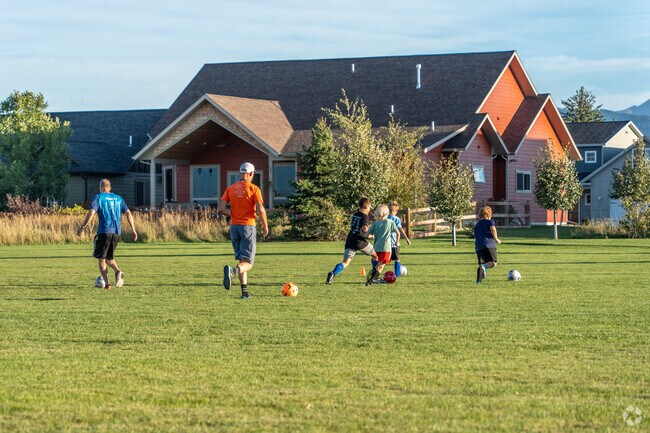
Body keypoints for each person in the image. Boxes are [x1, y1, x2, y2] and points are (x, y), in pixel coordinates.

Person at [218, 162, 268, 299]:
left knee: (242, 260)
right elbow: (260, 209)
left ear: (241, 173)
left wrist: (231, 214)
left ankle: (244, 293)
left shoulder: (230, 188)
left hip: (234, 227)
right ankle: (233, 271)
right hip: (248, 227)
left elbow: (221, 208)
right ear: (251, 174)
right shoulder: (254, 189)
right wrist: (265, 224)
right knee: (248, 264)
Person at [77, 179, 137, 290]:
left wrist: (82, 227)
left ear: (101, 188)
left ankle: (107, 284)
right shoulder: (119, 198)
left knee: (101, 259)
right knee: (109, 258)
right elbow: (128, 212)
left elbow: (91, 213)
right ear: (109, 188)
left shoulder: (99, 197)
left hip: (104, 231)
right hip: (117, 232)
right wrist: (133, 229)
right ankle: (118, 272)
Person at [326, 196, 378, 285]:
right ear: (366, 207)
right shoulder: (365, 216)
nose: (370, 209)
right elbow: (364, 230)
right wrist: (370, 236)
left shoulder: (355, 214)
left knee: (345, 262)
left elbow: (357, 227)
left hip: (350, 240)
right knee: (376, 256)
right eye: (370, 207)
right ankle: (374, 276)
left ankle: (332, 273)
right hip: (359, 241)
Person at [366, 204, 400, 285]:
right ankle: (371, 280)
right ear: (387, 213)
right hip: (386, 248)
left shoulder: (375, 224)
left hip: (376, 248)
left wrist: (372, 236)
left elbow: (367, 234)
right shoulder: (390, 222)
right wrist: (396, 242)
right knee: (381, 266)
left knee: (377, 263)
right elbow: (398, 233)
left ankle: (373, 275)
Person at [474, 206, 501, 284]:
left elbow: (476, 236)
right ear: (490, 215)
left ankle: (478, 282)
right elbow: (493, 229)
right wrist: (496, 239)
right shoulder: (490, 222)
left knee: (482, 264)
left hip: (479, 247)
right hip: (489, 245)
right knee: (493, 263)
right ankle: (484, 267)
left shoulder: (477, 225)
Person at [387, 201, 411, 277]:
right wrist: (407, 239)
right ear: (396, 210)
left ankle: (375, 271)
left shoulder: (385, 218)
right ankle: (397, 275)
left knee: (383, 259)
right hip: (395, 243)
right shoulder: (396, 219)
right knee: (397, 259)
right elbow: (401, 230)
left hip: (386, 243)